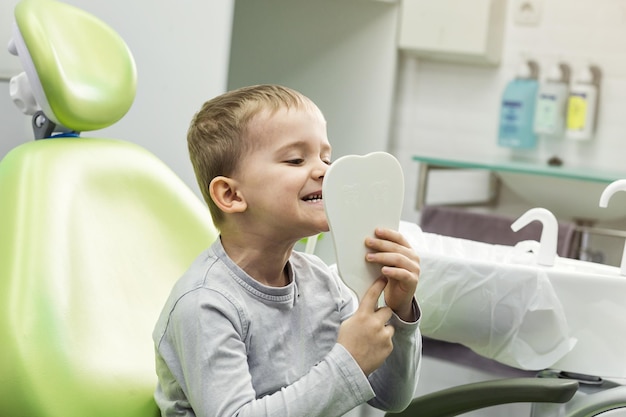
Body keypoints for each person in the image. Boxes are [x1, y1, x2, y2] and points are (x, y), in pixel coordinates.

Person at [152, 84, 422, 417]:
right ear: (231, 195)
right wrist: (346, 362)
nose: (325, 170)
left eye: (326, 157)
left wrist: (400, 311)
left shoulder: (323, 282)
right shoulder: (205, 304)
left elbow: (391, 397)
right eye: (296, 159)